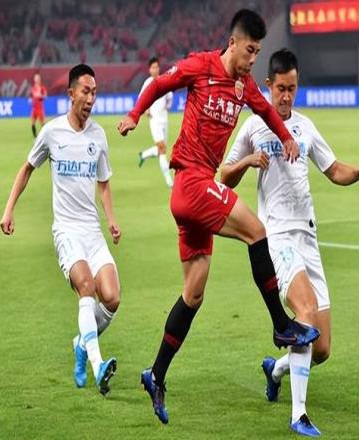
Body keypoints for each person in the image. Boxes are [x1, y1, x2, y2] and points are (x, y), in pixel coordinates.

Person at [118, 10, 320, 424]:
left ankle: (156, 374)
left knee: (193, 293)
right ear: (233, 43)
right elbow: (159, 84)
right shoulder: (201, 66)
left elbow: (266, 112)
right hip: (191, 183)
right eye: (250, 51)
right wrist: (135, 114)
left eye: (258, 52)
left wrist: (286, 137)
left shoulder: (244, 86)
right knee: (256, 231)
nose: (253, 59)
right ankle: (281, 325)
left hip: (197, 192)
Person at [222, 49, 359, 437]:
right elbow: (224, 175)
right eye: (281, 88)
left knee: (321, 348)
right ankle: (299, 414)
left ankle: (275, 370)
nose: (287, 96)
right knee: (304, 311)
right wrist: (248, 162)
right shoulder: (254, 127)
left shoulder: (305, 127)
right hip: (276, 238)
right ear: (268, 86)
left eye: (292, 88)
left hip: (308, 237)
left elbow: (334, 170)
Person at [0, 64, 121, 395]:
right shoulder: (52, 132)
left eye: (94, 93)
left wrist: (111, 220)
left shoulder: (98, 136)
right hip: (66, 230)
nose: (91, 99)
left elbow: (104, 182)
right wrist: (9, 209)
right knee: (86, 287)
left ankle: (81, 344)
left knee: (112, 298)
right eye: (85, 92)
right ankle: (97, 364)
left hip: (92, 231)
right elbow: (27, 168)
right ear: (71, 93)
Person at [137, 56, 174, 188]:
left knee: (161, 149)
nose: (155, 69)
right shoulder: (147, 83)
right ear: (149, 69)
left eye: (157, 67)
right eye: (153, 67)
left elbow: (170, 97)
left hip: (164, 120)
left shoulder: (164, 80)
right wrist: (146, 110)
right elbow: (141, 98)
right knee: (162, 149)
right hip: (154, 121)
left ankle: (144, 155)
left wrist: (167, 106)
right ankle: (169, 180)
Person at [30, 72, 47, 138]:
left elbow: (45, 96)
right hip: (34, 108)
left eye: (37, 78)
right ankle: (35, 137)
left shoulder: (42, 88)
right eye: (35, 78)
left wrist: (41, 96)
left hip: (40, 108)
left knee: (43, 125)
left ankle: (45, 137)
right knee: (32, 123)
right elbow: (33, 96)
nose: (36, 79)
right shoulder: (33, 88)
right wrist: (31, 99)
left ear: (40, 79)